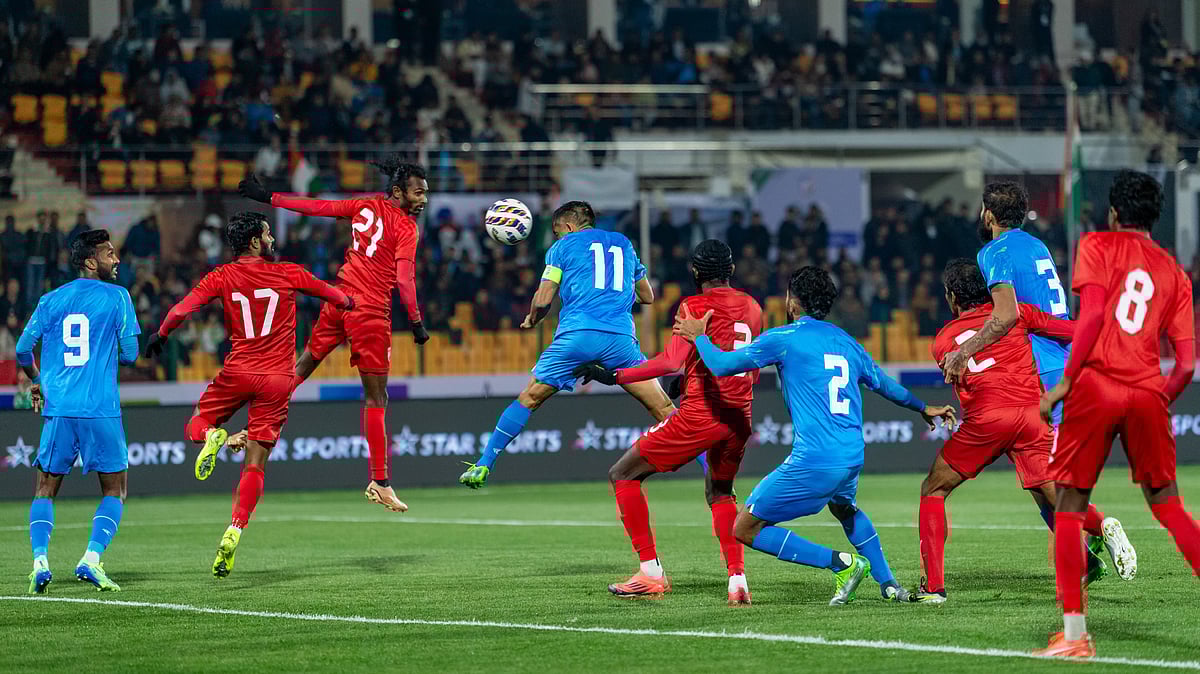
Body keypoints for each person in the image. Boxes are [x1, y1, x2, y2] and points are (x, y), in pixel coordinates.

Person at [674, 266, 957, 604]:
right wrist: (922, 407)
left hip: (815, 459)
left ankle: (841, 564)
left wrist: (699, 337)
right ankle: (889, 585)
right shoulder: (846, 342)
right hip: (851, 454)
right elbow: (884, 384)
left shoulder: (784, 338)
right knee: (845, 509)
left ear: (793, 301)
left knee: (744, 528)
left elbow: (720, 366)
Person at [1035, 171, 1199, 657]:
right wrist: (1158, 395)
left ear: (1113, 212)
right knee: (1168, 505)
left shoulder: (1097, 246)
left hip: (1097, 384)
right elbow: (1187, 362)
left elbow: (1091, 316)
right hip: (1148, 390)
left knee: (1068, 507)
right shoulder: (1174, 271)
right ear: (1154, 217)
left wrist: (1065, 382)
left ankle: (1075, 635)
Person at [144, 212, 355, 577]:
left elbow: (181, 310)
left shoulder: (222, 276)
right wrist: (354, 304)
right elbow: (338, 297)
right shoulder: (289, 272)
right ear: (256, 241)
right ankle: (236, 527)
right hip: (276, 379)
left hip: (238, 371)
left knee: (197, 423)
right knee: (255, 464)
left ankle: (214, 436)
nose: (272, 239)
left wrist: (161, 335)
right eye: (268, 234)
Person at [941, 181, 1135, 576]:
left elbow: (1007, 314)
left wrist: (966, 350)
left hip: (1036, 368)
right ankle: (1084, 559)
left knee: (1043, 479)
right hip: (1064, 362)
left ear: (989, 215)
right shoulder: (1037, 246)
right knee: (1038, 478)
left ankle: (1101, 526)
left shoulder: (993, 251)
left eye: (982, 210)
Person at [916, 259, 1123, 603]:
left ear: (952, 297)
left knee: (933, 489)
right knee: (1052, 492)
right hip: (1031, 416)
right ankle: (1101, 525)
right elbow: (1071, 331)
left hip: (987, 420)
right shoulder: (1019, 314)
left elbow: (961, 382)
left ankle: (933, 588)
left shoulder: (942, 341)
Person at [573, 240, 761, 603]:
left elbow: (670, 361)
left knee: (623, 474)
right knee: (720, 493)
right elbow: (740, 359)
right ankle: (737, 580)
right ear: (731, 270)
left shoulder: (694, 305)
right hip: (740, 416)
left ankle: (650, 573)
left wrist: (615, 376)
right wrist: (689, 378)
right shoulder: (753, 307)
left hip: (701, 414)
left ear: (694, 273)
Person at [239, 156, 429, 513]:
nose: (423, 199)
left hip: (339, 299)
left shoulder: (363, 205)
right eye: (417, 193)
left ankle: (256, 422)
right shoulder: (406, 228)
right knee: (376, 399)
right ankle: (380, 480)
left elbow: (315, 207)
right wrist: (416, 323)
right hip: (370, 312)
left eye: (425, 193)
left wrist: (268, 197)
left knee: (304, 364)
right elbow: (404, 280)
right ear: (398, 192)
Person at [458, 201, 674, 488]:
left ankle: (484, 463)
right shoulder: (624, 243)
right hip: (620, 340)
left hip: (577, 337)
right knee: (665, 410)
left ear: (569, 227)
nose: (559, 238)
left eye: (559, 232)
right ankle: (715, 472)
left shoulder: (562, 248)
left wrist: (532, 319)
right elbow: (647, 296)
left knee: (530, 398)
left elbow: (544, 298)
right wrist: (612, 296)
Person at [16, 230, 140, 593]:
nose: (116, 259)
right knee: (115, 491)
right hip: (100, 408)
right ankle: (91, 558)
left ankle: (40, 562)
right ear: (91, 261)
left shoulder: (51, 300)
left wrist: (38, 380)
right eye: (109, 253)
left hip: (59, 409)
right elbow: (131, 355)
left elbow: (24, 350)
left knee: (44, 489)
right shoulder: (118, 297)